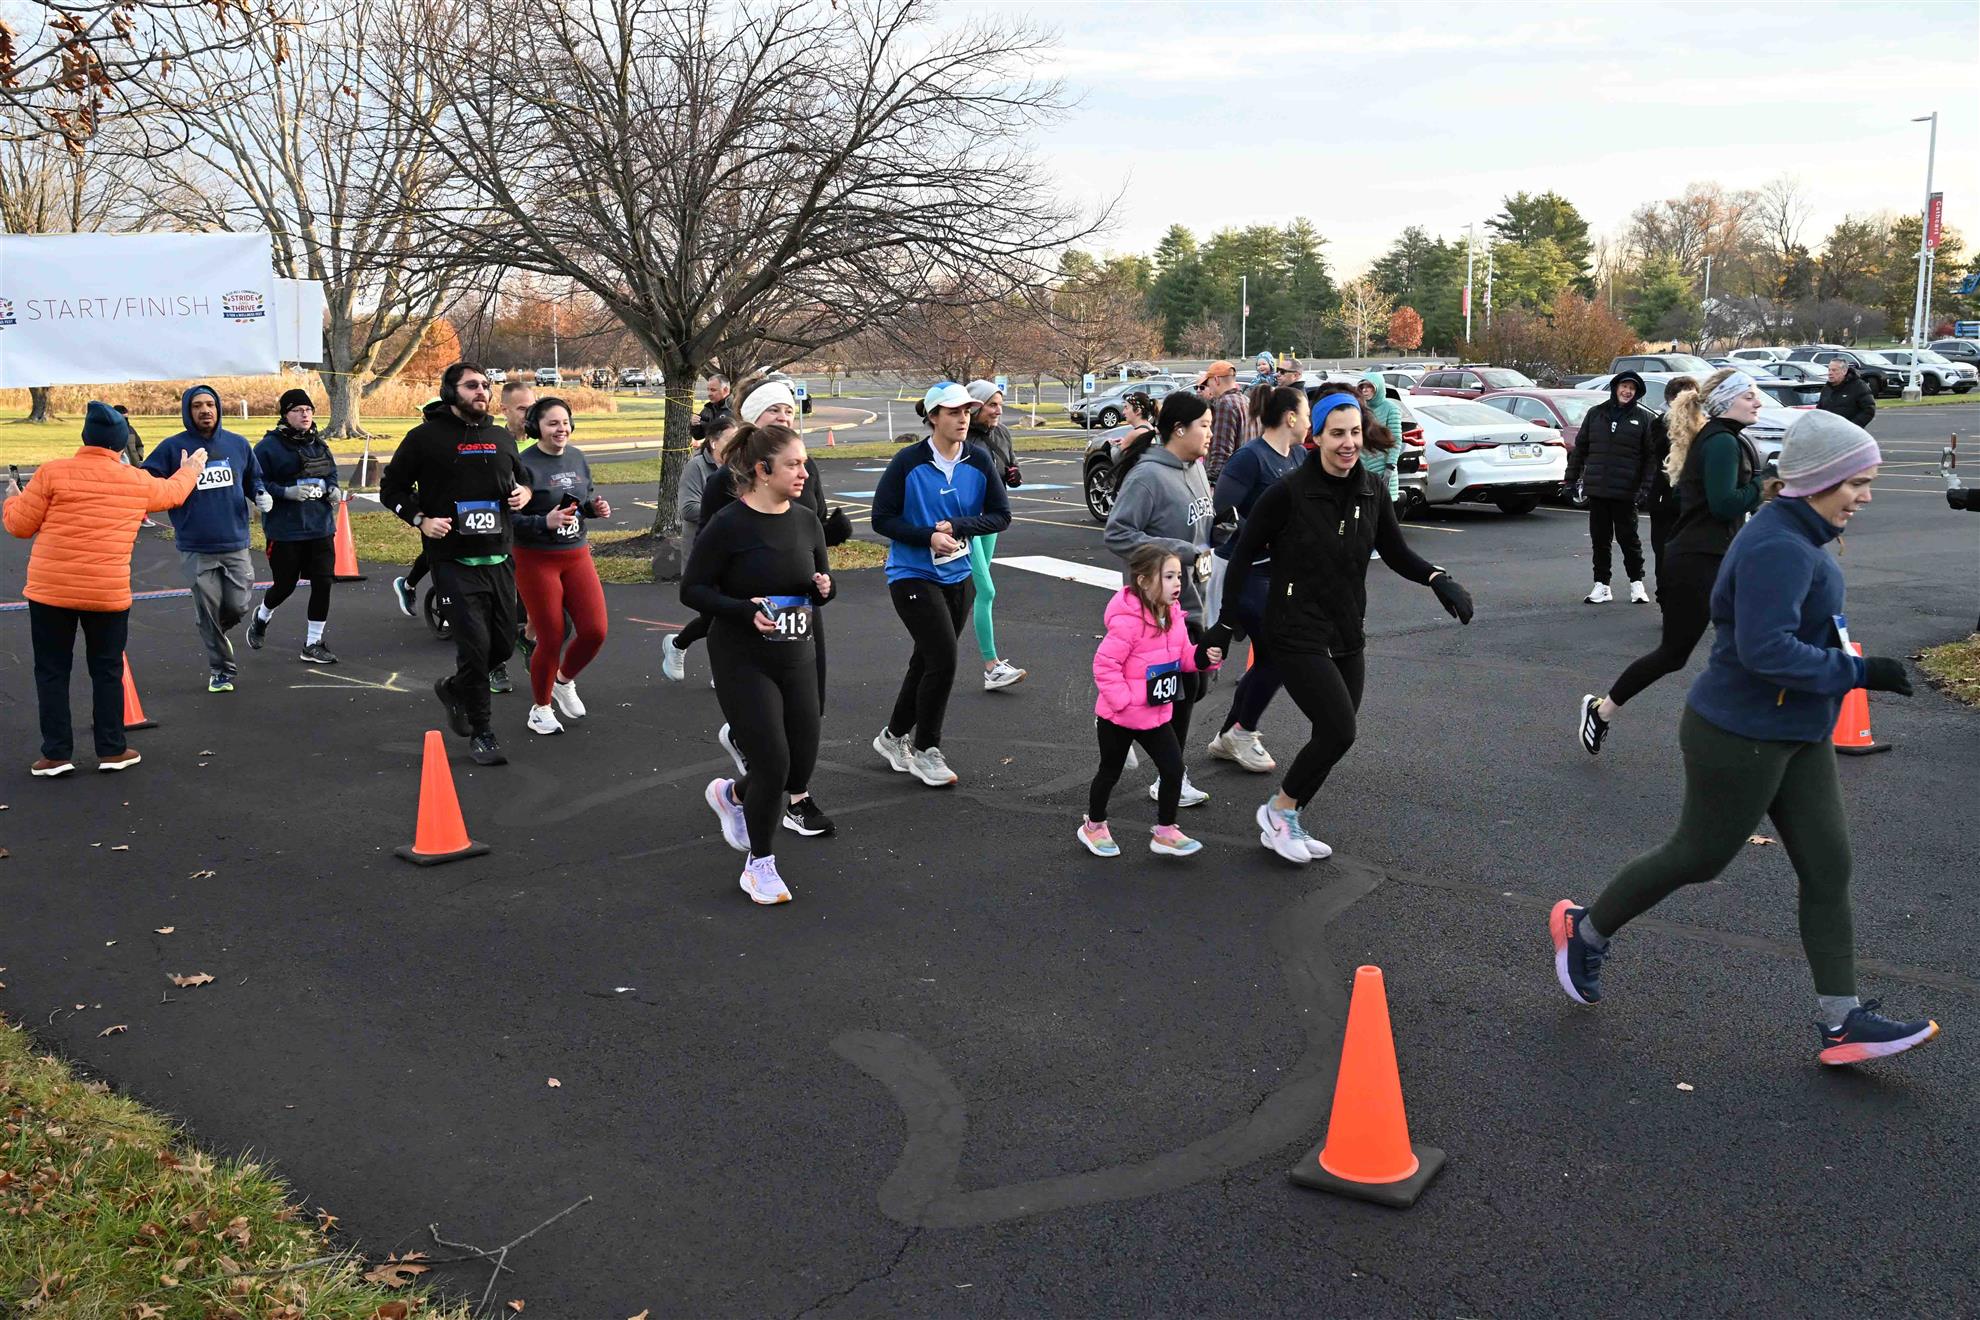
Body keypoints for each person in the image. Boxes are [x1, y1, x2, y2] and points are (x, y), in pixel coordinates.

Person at [1551, 411, 1937, 1065]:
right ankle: (1584, 930)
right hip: (1740, 733)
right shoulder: (1777, 546)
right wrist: (1858, 671)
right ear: (1819, 480)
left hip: (1799, 730)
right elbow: (1764, 651)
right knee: (1698, 856)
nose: (1866, 496)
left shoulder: (1802, 534)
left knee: (1828, 866)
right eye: (1858, 483)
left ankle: (1841, 1022)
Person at [1210, 393, 1474, 864]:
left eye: (1354, 432)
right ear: (1315, 436)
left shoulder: (1372, 488)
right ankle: (1279, 811)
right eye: (1337, 434)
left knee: (1332, 737)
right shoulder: (1288, 493)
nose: (1348, 443)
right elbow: (1242, 554)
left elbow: (1396, 552)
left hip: (1347, 627)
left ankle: (1288, 817)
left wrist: (1438, 578)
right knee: (1339, 730)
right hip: (1294, 628)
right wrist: (1224, 622)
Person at [3, 402, 204, 776]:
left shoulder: (51, 472)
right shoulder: (136, 481)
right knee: (107, 669)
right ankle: (111, 749)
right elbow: (173, 493)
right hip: (106, 592)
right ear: (121, 442)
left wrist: (13, 497)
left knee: (51, 670)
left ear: (85, 437)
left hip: (51, 591)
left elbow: (19, 526)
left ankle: (55, 754)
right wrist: (191, 468)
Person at [682, 422, 834, 905]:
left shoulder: (807, 521)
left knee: (798, 767)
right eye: (794, 464)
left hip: (797, 653)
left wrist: (823, 589)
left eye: (804, 463)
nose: (804, 472)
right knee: (773, 760)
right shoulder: (729, 524)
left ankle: (732, 795)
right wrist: (742, 611)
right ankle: (760, 866)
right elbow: (692, 589)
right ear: (763, 470)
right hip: (742, 657)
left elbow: (818, 585)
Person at [690, 380, 850, 837]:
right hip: (745, 635)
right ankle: (781, 813)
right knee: (773, 756)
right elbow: (704, 572)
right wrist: (742, 607)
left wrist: (826, 569)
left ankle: (757, 788)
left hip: (798, 625)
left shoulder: (802, 482)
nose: (783, 418)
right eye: (773, 412)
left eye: (789, 411)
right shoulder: (725, 491)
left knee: (804, 727)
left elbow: (810, 538)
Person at [1577, 370, 1767, 756]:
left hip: (1719, 557)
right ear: (1726, 401)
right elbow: (1724, 504)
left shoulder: (1724, 438)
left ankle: (1746, 725)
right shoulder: (1720, 442)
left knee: (1753, 636)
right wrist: (1763, 484)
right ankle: (1601, 710)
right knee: (1674, 653)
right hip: (1698, 562)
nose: (1758, 402)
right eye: (1749, 396)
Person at [380, 362, 532, 766]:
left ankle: (454, 687)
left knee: (502, 644)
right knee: (475, 648)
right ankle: (482, 732)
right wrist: (420, 519)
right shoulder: (424, 438)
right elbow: (390, 487)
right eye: (471, 386)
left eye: (485, 385)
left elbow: (523, 480)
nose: (481, 391)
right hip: (452, 560)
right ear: (450, 392)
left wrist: (525, 493)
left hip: (499, 558)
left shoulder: (500, 437)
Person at [870, 381, 1011, 787]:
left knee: (927, 660)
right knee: (944, 660)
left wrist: (961, 526)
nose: (963, 418)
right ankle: (926, 750)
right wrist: (928, 536)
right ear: (933, 417)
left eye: (967, 411)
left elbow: (1001, 515)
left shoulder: (978, 460)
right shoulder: (908, 462)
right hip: (912, 575)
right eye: (953, 412)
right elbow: (882, 519)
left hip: (958, 574)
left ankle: (892, 737)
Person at [1104, 390, 1217, 807]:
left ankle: (1125, 727)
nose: (1210, 433)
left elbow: (1200, 526)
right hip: (1158, 610)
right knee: (1183, 690)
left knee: (1194, 687)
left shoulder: (1196, 468)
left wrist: (1221, 531)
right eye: (1204, 426)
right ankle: (1171, 776)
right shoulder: (1147, 477)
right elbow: (1117, 534)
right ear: (1179, 429)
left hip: (1196, 598)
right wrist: (1180, 552)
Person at [1080, 543, 1223, 858]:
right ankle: (1094, 825)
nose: (1177, 583)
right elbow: (1105, 665)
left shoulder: (1173, 615)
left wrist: (1204, 658)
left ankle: (1166, 830)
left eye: (1179, 576)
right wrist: (1124, 701)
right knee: (1109, 772)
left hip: (1156, 715)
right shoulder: (1127, 623)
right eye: (1168, 577)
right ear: (1144, 581)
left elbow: (1183, 657)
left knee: (1173, 769)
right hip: (1118, 717)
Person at [1205, 384, 1309, 776]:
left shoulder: (1298, 456)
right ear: (1290, 417)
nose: (1311, 422)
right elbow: (1223, 510)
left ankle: (1230, 734)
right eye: (1308, 414)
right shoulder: (1250, 458)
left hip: (1279, 572)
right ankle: (1240, 731)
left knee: (1270, 655)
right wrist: (1266, 534)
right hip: (1243, 569)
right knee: (1281, 653)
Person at [142, 386, 269, 692]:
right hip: (196, 546)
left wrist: (260, 494)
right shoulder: (173, 447)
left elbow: (253, 477)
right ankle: (221, 670)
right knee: (208, 610)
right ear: (188, 411)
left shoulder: (237, 444)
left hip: (235, 542)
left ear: (218, 408)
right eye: (197, 405)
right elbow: (146, 481)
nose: (205, 410)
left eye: (210, 404)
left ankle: (214, 634)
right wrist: (180, 475)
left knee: (238, 605)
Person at [510, 397, 611, 735]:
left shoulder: (577, 457)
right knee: (551, 635)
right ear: (535, 427)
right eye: (552, 423)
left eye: (565, 422)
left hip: (576, 554)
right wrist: (544, 522)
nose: (561, 429)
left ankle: (563, 681)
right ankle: (540, 709)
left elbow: (579, 503)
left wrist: (593, 509)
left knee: (595, 630)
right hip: (535, 558)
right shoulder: (523, 464)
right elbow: (509, 520)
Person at [247, 389, 344, 664]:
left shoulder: (318, 444)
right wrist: (285, 492)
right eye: (298, 410)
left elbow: (331, 472)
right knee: (285, 585)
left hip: (320, 527)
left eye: (309, 410)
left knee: (323, 582)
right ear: (285, 414)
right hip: (285, 530)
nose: (305, 414)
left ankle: (313, 643)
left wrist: (334, 489)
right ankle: (262, 616)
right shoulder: (268, 447)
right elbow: (254, 481)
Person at [1565, 370, 1657, 605]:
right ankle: (1602, 585)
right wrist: (1570, 480)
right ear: (1616, 387)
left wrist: (1645, 489)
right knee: (1600, 540)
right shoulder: (1596, 414)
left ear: (1637, 393)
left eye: (1632, 388)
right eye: (1624, 386)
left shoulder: (1644, 419)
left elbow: (1651, 458)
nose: (1627, 391)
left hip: (1626, 491)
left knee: (1629, 540)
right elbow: (1580, 449)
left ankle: (1637, 584)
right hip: (1598, 489)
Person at [661, 412, 738, 683]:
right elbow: (688, 509)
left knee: (722, 617)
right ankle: (686, 650)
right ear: (714, 442)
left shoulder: (740, 468)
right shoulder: (696, 467)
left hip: (733, 556)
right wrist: (730, 510)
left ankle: (679, 645)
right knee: (715, 616)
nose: (737, 446)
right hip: (701, 555)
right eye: (731, 440)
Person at [965, 378, 1026, 692]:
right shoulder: (962, 438)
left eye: (1000, 404)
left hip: (991, 522)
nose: (998, 411)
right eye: (992, 405)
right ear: (975, 407)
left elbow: (1010, 467)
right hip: (967, 523)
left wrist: (1014, 474)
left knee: (976, 590)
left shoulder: (1002, 433)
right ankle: (991, 666)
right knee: (986, 590)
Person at [1644, 375, 1696, 596]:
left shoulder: (1701, 425)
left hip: (1691, 500)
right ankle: (1664, 595)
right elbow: (1660, 451)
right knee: (1664, 551)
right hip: (1664, 499)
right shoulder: (1659, 424)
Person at [1355, 371, 1404, 508]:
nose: (1365, 390)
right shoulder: (1359, 409)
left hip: (1383, 468)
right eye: (1362, 387)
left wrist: (1389, 467)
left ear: (1378, 388)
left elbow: (1395, 441)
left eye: (1369, 387)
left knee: (1383, 512)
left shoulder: (1391, 409)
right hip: (1361, 469)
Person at [1199, 359, 1247, 484]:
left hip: (1227, 481)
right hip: (1244, 477)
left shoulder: (1225, 404)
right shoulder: (1246, 400)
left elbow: (1221, 451)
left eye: (1208, 383)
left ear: (1216, 380)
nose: (1209, 388)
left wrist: (1210, 481)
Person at [1817, 357, 1876, 429]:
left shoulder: (1858, 386)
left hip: (1850, 432)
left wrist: (1852, 426)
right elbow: (1820, 410)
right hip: (1829, 431)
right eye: (1829, 370)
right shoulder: (1827, 388)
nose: (1830, 373)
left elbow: (1869, 410)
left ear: (1844, 371)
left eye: (1834, 370)